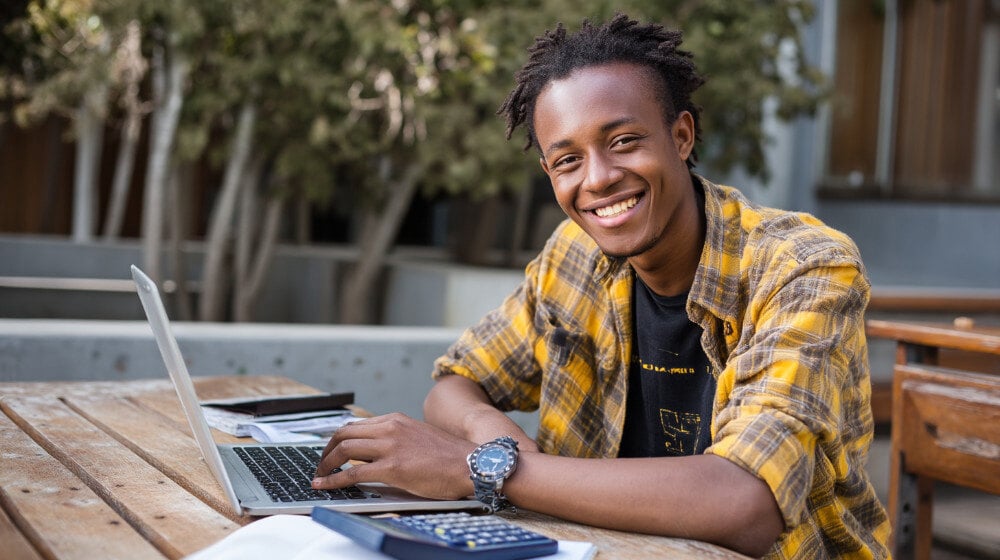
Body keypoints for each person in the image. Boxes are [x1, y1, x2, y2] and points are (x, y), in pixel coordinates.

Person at [314, 13, 891, 559]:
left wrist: (482, 468)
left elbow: (747, 503)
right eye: (567, 160)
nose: (598, 179)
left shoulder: (803, 267)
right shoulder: (573, 256)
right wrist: (493, 438)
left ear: (682, 136)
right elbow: (457, 381)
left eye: (622, 142)